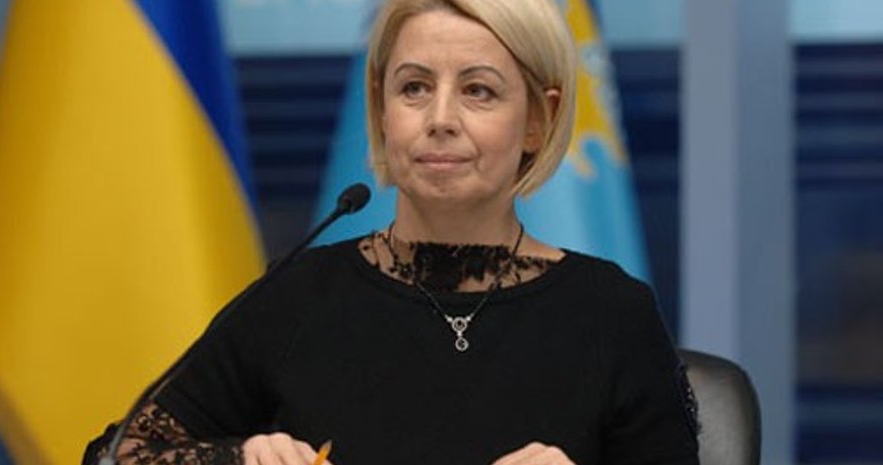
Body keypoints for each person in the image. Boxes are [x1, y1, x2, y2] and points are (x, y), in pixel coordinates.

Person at [84, 0, 700, 464]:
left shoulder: (611, 312)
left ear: (539, 119)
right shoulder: (298, 297)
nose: (440, 118)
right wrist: (239, 458)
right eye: (414, 88)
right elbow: (115, 455)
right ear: (381, 109)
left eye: (478, 91)